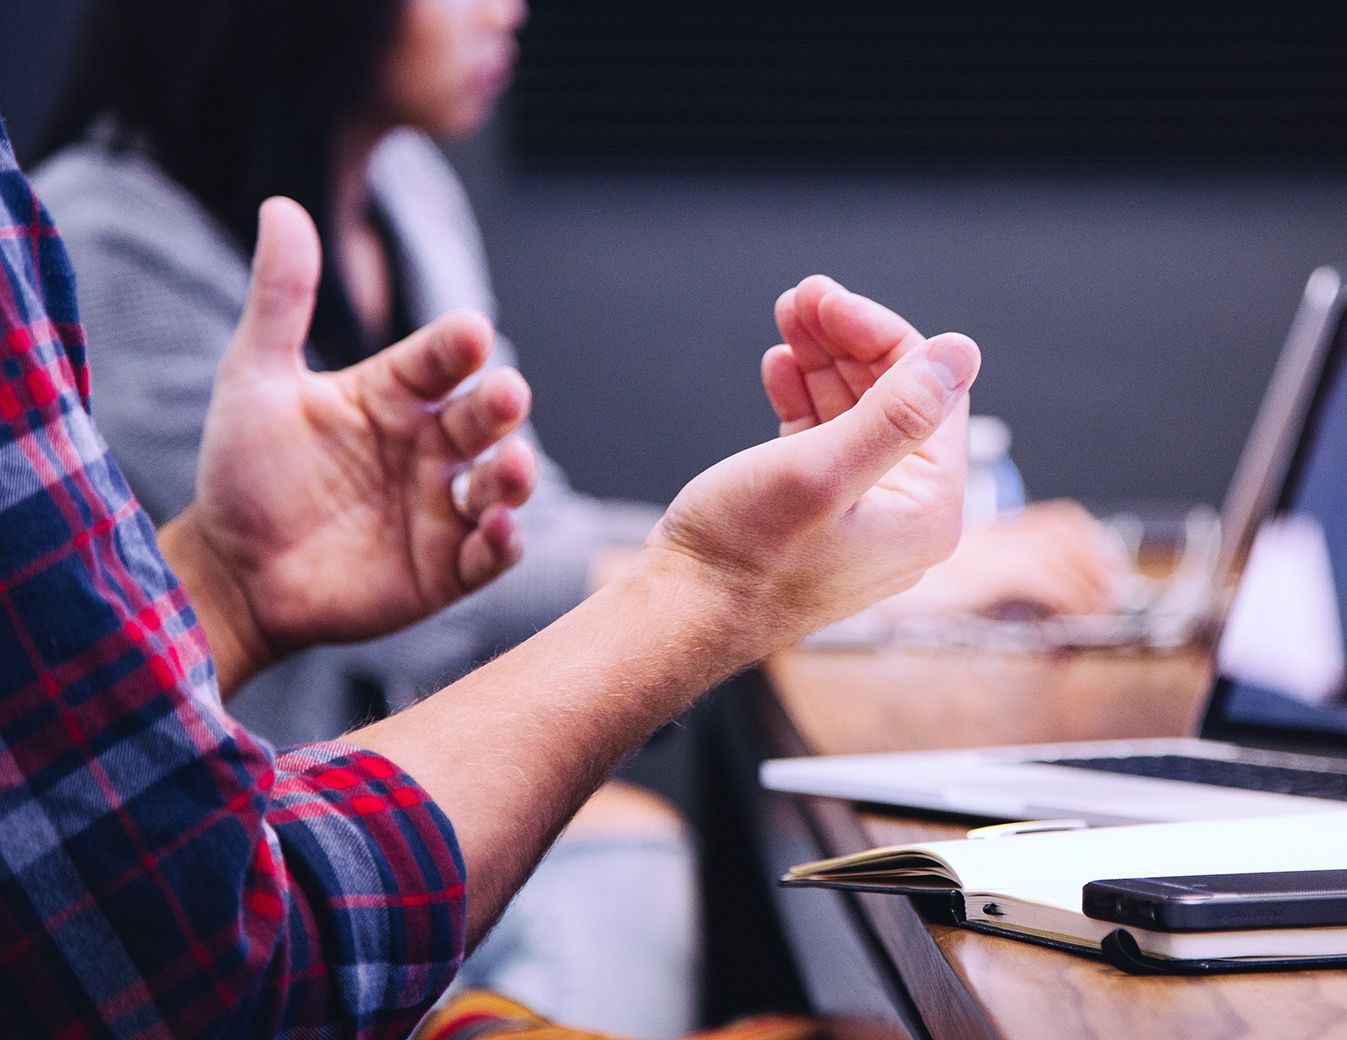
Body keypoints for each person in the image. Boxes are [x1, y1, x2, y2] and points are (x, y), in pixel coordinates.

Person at [31, 1, 1118, 1030]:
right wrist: (757, 576)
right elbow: (468, 603)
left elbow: (508, 530)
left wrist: (229, 581)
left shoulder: (403, 187)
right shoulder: (103, 241)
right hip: (256, 876)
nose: (511, 7)